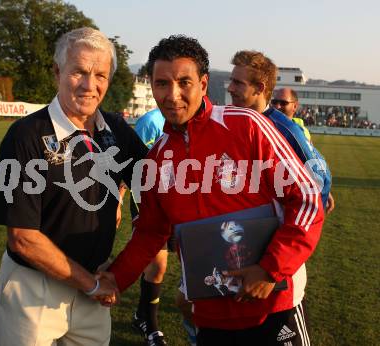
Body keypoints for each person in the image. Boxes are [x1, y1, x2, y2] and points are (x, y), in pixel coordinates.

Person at [100, 35, 324, 346]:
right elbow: (150, 233)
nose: (172, 94)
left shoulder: (246, 125)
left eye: (184, 82)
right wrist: (116, 277)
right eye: (162, 83)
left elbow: (307, 198)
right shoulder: (157, 160)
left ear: (204, 85)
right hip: (210, 316)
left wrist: (270, 269)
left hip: (272, 307)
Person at [0, 27, 147, 346]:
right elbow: (23, 239)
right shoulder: (26, 135)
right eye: (79, 72)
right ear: (58, 72)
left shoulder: (116, 129)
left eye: (100, 74)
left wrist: (120, 194)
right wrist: (91, 285)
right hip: (35, 289)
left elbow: (154, 179)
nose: (90, 85)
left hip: (94, 287)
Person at [228, 50, 334, 214]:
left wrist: (308, 218)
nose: (230, 88)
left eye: (237, 83)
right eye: (231, 81)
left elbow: (320, 176)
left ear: (259, 88)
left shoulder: (287, 130)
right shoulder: (227, 119)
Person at [130, 108, 168, 346]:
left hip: (180, 201)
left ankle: (140, 315)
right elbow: (132, 163)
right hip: (148, 201)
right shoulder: (150, 121)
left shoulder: (193, 119)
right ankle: (151, 327)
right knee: (158, 263)